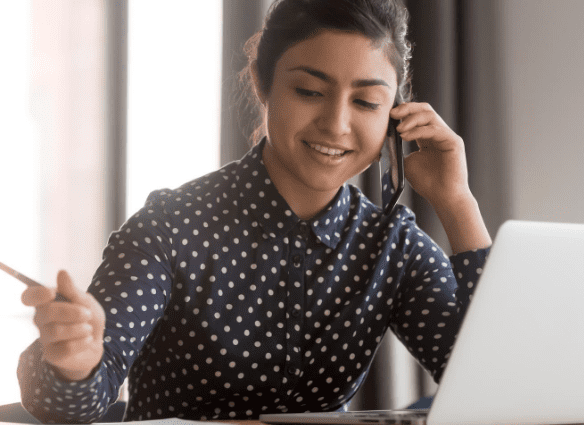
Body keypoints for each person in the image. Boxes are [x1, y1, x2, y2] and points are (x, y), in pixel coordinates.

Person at [18, 0, 492, 422]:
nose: (336, 123)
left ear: (395, 116)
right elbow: (71, 406)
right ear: (264, 84)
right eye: (309, 91)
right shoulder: (170, 227)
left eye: (366, 102)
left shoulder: (392, 244)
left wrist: (457, 202)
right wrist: (76, 363)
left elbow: (493, 385)